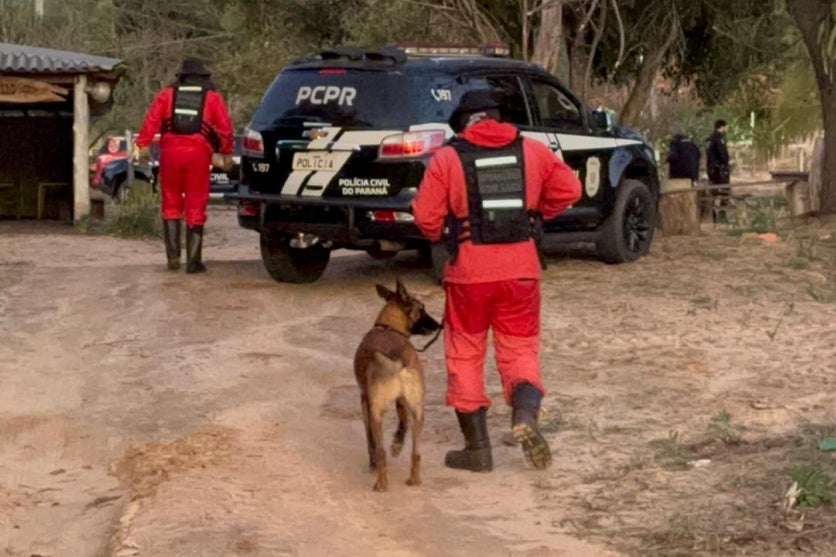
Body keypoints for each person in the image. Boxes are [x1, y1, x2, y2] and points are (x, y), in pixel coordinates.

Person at [411, 90, 581, 472]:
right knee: (520, 351)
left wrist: (445, 233)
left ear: (466, 122)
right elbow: (571, 189)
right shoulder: (532, 150)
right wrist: (536, 215)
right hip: (521, 273)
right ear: (497, 118)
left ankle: (477, 450)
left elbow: (425, 217)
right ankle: (525, 415)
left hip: (469, 277)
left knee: (466, 356)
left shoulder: (448, 157)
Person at [135, 57, 234, 273]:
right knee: (196, 203)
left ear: (182, 77)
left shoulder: (167, 94)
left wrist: (142, 144)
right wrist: (226, 153)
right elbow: (225, 128)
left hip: (169, 154)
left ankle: (172, 258)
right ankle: (193, 262)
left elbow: (151, 120)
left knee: (170, 203)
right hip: (198, 155)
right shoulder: (212, 98)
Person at [706, 119, 730, 186]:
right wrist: (726, 162)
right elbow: (721, 152)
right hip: (718, 167)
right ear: (722, 127)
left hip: (711, 166)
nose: (727, 129)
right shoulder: (719, 138)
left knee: (714, 186)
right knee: (721, 188)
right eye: (726, 127)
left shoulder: (710, 138)